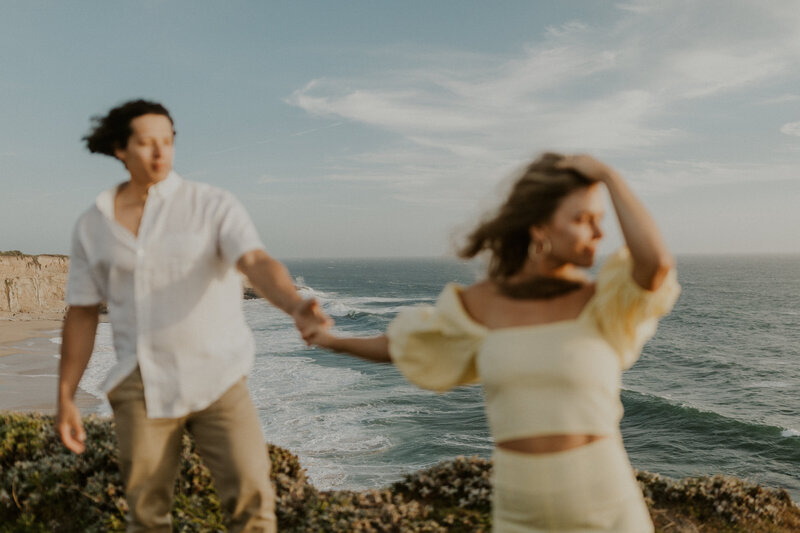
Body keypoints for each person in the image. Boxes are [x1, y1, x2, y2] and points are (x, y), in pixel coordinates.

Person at [305, 153, 680, 532]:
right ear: (539, 228)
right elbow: (402, 347)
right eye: (583, 220)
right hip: (519, 514)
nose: (599, 234)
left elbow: (656, 263)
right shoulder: (483, 304)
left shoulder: (603, 303)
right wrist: (331, 340)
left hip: (606, 507)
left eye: (599, 220)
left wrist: (607, 175)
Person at [56, 99, 331, 533]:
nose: (159, 153)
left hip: (218, 379)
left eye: (167, 142)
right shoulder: (93, 225)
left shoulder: (211, 204)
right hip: (140, 383)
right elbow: (83, 313)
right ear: (120, 149)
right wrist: (66, 396)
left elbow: (256, 261)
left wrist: (295, 303)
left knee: (254, 507)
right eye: (146, 143)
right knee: (146, 518)